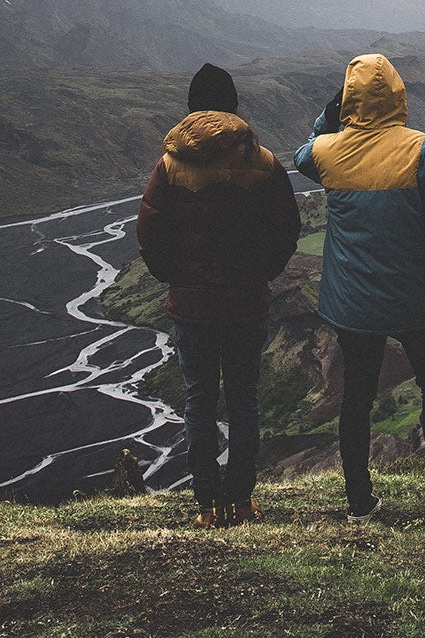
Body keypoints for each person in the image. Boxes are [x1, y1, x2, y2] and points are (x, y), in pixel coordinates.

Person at [295, 52, 425, 521]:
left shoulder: (329, 151)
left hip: (353, 302)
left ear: (349, 99)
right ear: (398, 94)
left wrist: (331, 114)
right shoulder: (418, 147)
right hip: (414, 294)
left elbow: (303, 155)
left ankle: (359, 500)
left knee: (355, 397)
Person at [137, 63, 301, 528]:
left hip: (192, 308)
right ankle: (243, 501)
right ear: (234, 106)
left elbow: (150, 234)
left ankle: (207, 505)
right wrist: (262, 273)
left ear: (192, 107)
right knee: (245, 399)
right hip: (247, 303)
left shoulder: (171, 165)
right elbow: (286, 229)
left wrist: (178, 280)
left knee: (200, 401)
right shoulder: (264, 162)